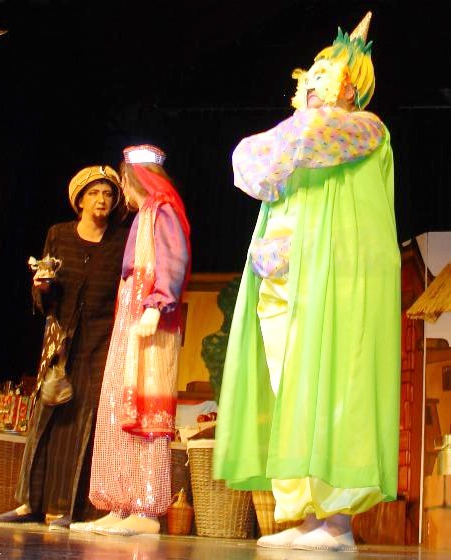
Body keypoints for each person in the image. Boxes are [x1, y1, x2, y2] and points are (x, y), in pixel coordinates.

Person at [213, 12, 400, 551]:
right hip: (282, 277)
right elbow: (249, 163)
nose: (313, 82)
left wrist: (300, 124)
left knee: (333, 386)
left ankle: (337, 521)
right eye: (311, 73)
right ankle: (306, 512)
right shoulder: (297, 132)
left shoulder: (364, 129)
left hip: (334, 280)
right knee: (289, 389)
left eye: (326, 74)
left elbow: (306, 142)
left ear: (351, 86)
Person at [0, 165, 129, 529]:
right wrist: (42, 286)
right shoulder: (59, 234)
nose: (101, 200)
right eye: (94, 193)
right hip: (60, 339)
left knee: (81, 421)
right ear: (80, 200)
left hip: (99, 341)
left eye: (108, 194)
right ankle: (28, 503)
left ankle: (64, 507)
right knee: (45, 415)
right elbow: (43, 293)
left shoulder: (121, 241)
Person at [71, 144, 191, 536]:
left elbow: (173, 259)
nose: (122, 190)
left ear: (135, 178)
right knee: (118, 407)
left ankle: (146, 509)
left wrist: (157, 306)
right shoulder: (146, 213)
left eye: (123, 181)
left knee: (146, 407)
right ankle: (119, 504)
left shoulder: (163, 210)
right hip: (131, 313)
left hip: (150, 316)